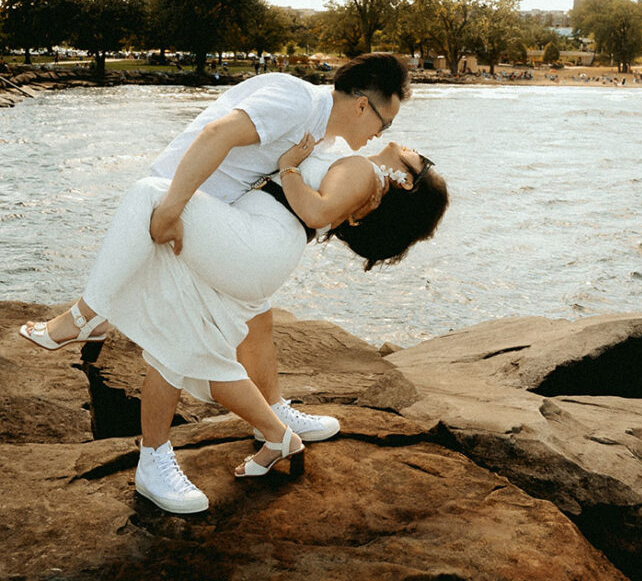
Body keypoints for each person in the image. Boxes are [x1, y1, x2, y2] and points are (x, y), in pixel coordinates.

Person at [21, 55, 418, 503]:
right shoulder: (297, 103)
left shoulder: (331, 142)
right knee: (179, 332)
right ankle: (241, 434)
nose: (381, 135)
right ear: (363, 105)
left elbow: (323, 206)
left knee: (199, 325)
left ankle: (91, 323)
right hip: (194, 203)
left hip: (226, 230)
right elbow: (218, 133)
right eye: (384, 122)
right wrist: (172, 207)